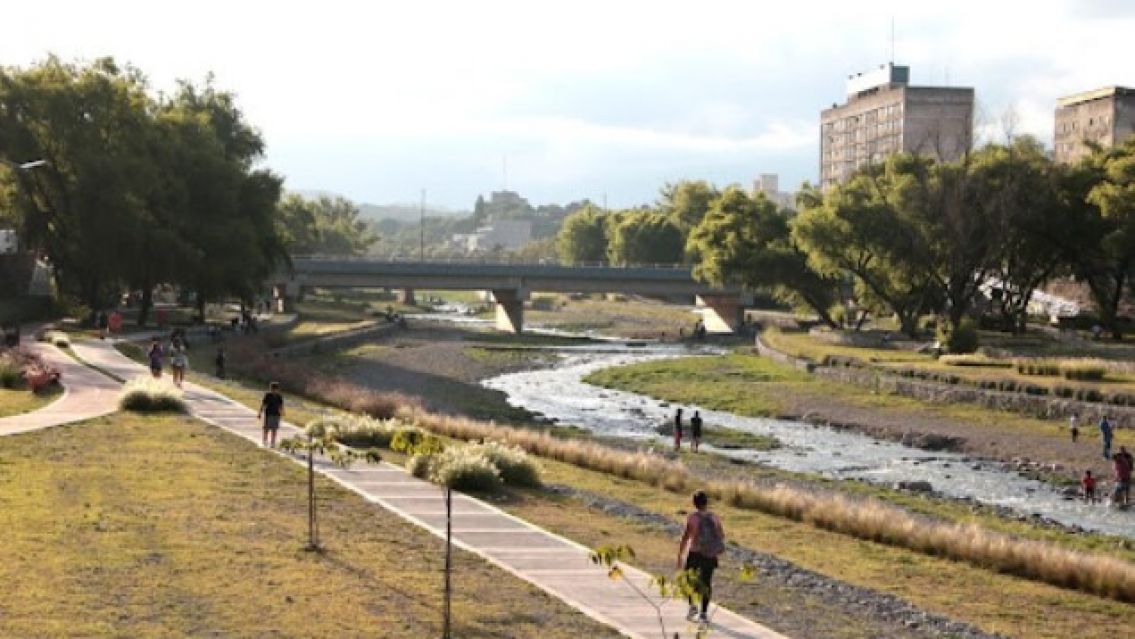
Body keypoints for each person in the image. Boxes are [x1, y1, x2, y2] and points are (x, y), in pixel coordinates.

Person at [677, 490, 724, 625]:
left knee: (688, 580)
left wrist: (680, 554)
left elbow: (686, 537)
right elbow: (721, 535)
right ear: (706, 503)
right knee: (706, 583)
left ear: (694, 503)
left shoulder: (692, 517)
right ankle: (703, 614)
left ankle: (692, 607)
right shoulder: (714, 517)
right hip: (710, 555)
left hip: (695, 553)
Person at [258, 381, 285, 448]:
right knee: (266, 428)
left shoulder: (279, 396)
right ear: (271, 389)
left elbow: (280, 406)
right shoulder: (267, 395)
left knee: (274, 429)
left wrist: (282, 412)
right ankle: (264, 441)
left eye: (275, 389)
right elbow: (264, 405)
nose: (274, 390)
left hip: (276, 415)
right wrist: (260, 413)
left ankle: (272, 443)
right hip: (269, 414)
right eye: (272, 389)